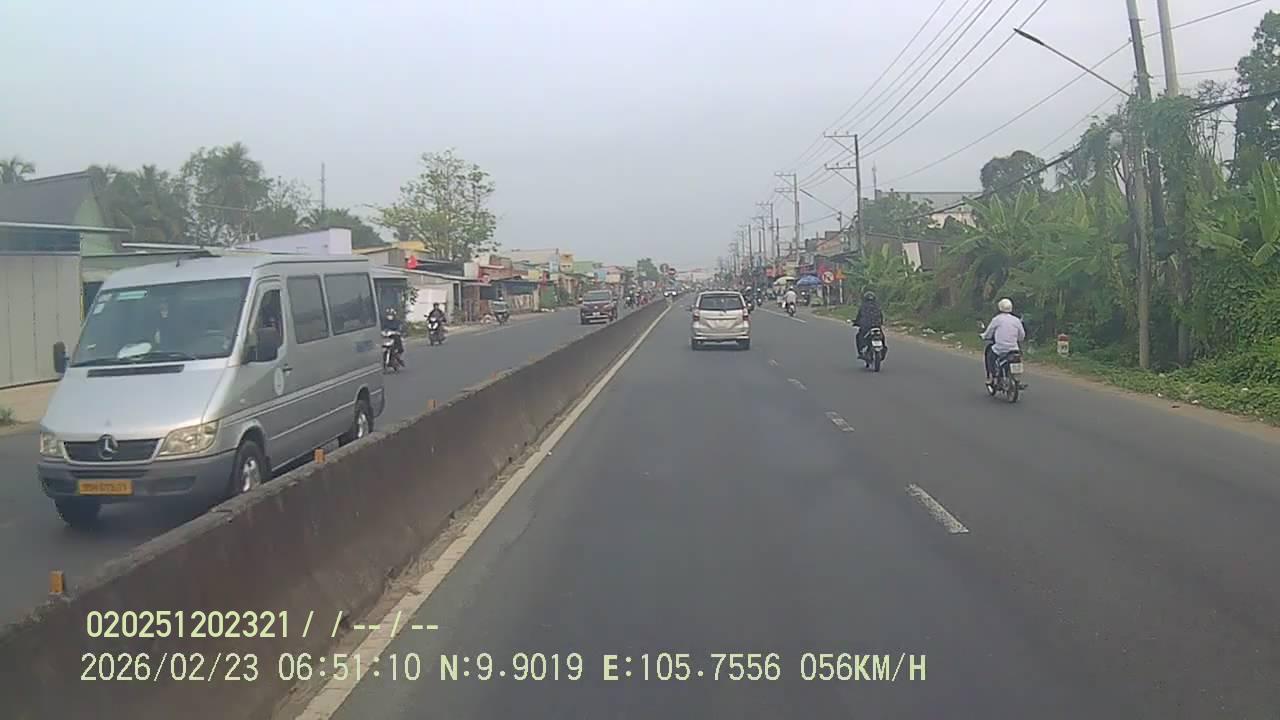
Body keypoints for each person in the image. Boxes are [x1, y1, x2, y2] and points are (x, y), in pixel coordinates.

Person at [982, 297, 1026, 388]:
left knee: (990, 355)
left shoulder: (997, 319)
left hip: (1000, 349)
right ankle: (1017, 379)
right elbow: (1022, 335)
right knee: (1017, 358)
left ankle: (992, 377)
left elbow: (989, 332)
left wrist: (984, 336)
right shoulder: (1016, 320)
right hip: (1014, 349)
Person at [853, 291, 884, 359]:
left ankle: (861, 352)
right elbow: (881, 317)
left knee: (859, 336)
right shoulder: (877, 306)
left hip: (866, 327)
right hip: (877, 326)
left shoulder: (863, 307)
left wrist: (856, 323)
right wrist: (880, 323)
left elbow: (859, 317)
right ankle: (883, 349)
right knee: (881, 336)